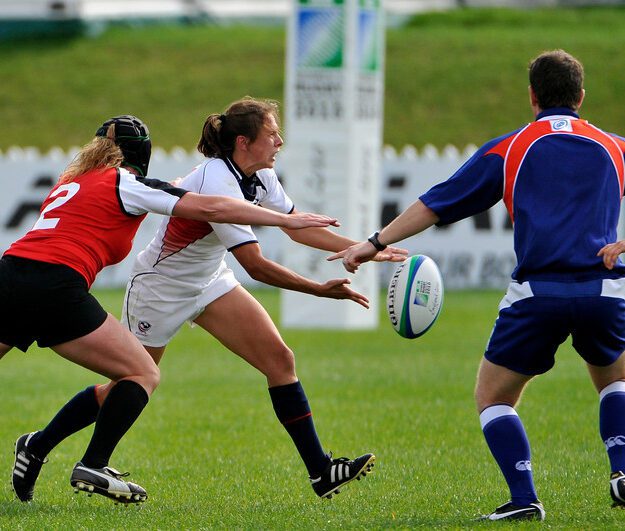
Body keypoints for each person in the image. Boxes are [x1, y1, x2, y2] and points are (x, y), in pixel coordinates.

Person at [12, 98, 406, 503]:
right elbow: (256, 265)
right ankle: (40, 446)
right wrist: (319, 289)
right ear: (243, 141)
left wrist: (367, 248)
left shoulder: (262, 176)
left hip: (210, 280)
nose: (280, 142)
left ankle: (321, 472)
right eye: (272, 134)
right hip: (161, 287)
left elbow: (298, 229)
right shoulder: (216, 179)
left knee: (279, 360)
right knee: (128, 382)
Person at [332, 50, 625, 521]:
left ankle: (524, 497)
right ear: (581, 97)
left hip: (537, 295)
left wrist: (373, 243)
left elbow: (435, 205)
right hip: (603, 292)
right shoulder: (614, 146)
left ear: (532, 96)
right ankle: (622, 469)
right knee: (616, 381)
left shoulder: (510, 147)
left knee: (493, 397)